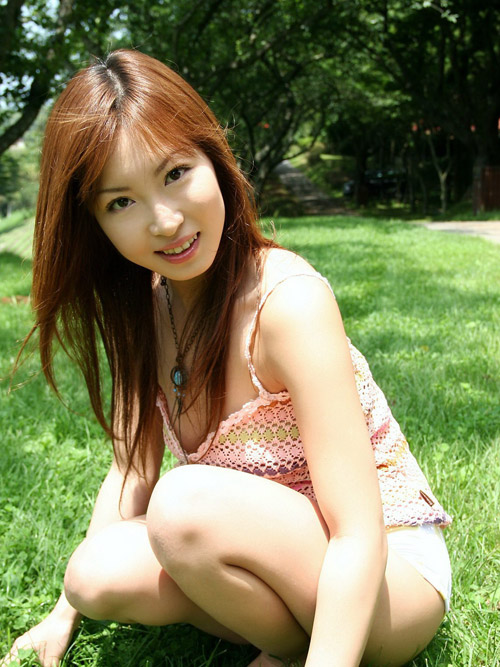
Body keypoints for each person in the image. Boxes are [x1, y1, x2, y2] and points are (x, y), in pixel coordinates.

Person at [3, 49, 452, 667]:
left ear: (214, 158)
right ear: (94, 224)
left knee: (182, 505)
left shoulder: (288, 303)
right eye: (121, 202)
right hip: (266, 554)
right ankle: (287, 644)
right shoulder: (147, 309)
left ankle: (311, 649)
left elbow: (356, 531)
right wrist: (63, 613)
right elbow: (132, 470)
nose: (165, 221)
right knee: (94, 574)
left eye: (175, 172)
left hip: (388, 575)